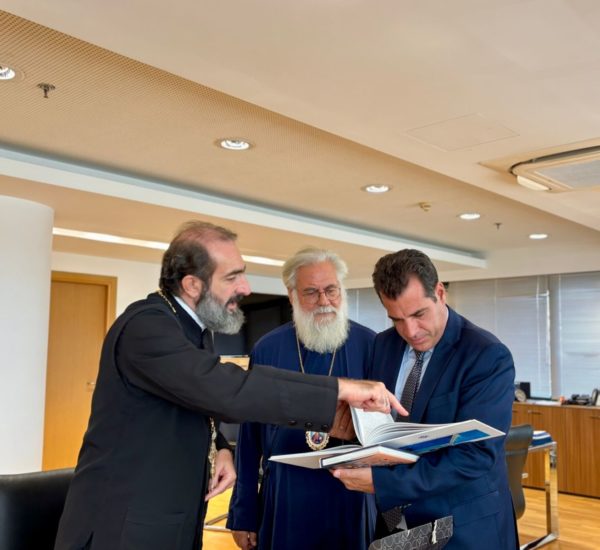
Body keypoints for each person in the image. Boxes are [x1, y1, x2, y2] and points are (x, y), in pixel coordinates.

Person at [53, 221, 402, 550]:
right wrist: (339, 390)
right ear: (193, 285)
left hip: (166, 518)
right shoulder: (148, 327)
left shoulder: (190, 330)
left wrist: (219, 446)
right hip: (125, 525)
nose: (245, 288)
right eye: (233, 277)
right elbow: (227, 391)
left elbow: (191, 401)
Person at [333, 249, 517, 549]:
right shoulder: (383, 345)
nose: (410, 331)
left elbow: (475, 456)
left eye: (419, 314)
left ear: (440, 293)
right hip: (394, 523)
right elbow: (383, 427)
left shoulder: (486, 355)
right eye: (397, 319)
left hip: (463, 529)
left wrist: (383, 484)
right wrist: (351, 431)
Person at [227, 247, 377, 550]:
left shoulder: (370, 344)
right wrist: (244, 512)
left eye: (331, 290)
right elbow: (249, 437)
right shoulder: (268, 349)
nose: (324, 301)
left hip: (350, 495)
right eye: (311, 292)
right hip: (286, 495)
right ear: (292, 294)